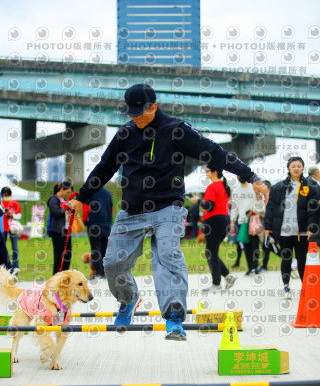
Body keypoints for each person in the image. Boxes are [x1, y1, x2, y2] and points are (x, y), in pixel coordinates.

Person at [66, 84, 269, 341]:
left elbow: (214, 152)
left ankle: (174, 316)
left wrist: (251, 176)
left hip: (168, 208)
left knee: (167, 256)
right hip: (131, 210)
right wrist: (81, 198)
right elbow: (104, 167)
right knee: (112, 263)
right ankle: (128, 300)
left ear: (154, 106)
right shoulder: (125, 134)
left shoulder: (176, 130)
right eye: (131, 114)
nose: (136, 118)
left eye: (141, 113)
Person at [264, 156, 319, 299]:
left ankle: (304, 288)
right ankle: (286, 287)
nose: (296, 168)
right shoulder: (278, 188)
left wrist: (311, 227)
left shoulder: (310, 187)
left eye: (299, 166)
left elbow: (313, 209)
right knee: (286, 259)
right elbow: (270, 207)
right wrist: (268, 226)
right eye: (293, 166)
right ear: (288, 168)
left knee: (302, 259)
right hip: (284, 231)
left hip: (301, 231)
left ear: (302, 169)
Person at [199, 165, 236, 292]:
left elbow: (209, 206)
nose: (206, 173)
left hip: (213, 221)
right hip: (225, 220)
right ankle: (227, 276)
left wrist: (197, 201)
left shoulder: (212, 187)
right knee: (211, 252)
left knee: (211, 252)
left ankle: (216, 284)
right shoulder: (225, 187)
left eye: (207, 171)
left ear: (214, 172)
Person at [230, 177, 263, 275]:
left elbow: (260, 201)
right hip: (242, 221)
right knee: (246, 245)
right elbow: (234, 208)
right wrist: (232, 223)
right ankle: (250, 267)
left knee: (255, 245)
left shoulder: (253, 187)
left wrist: (254, 210)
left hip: (253, 220)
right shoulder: (236, 191)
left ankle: (255, 267)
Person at [82, 188, 113, 279]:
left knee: (96, 248)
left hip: (94, 224)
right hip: (106, 225)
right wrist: (109, 222)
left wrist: (85, 222)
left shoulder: (90, 192)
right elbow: (111, 209)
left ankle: (98, 272)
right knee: (105, 248)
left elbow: (85, 208)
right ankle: (105, 272)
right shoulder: (107, 193)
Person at [47, 181, 73, 275]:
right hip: (57, 231)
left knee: (67, 254)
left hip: (66, 230)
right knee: (59, 255)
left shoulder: (64, 200)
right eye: (67, 192)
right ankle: (57, 275)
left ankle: (65, 274)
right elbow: (55, 212)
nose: (67, 194)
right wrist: (67, 208)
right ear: (61, 189)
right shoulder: (53, 199)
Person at [1, 186, 22, 276]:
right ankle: (5, 266)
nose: (6, 196)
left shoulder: (15, 203)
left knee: (14, 247)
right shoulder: (1, 203)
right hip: (3, 228)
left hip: (13, 228)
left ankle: (15, 266)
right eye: (4, 195)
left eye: (7, 194)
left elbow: (19, 216)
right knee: (3, 248)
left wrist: (12, 215)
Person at [307, 166, 320, 247]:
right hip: (313, 214)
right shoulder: (312, 184)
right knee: (312, 238)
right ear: (316, 173)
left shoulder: (308, 182)